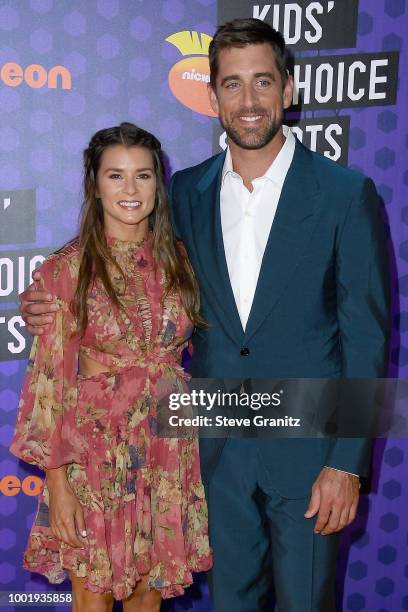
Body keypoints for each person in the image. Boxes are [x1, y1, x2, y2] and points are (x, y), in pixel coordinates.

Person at [19, 19, 390, 612]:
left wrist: (348, 463)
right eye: (233, 85)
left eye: (263, 82)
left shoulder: (346, 194)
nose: (249, 102)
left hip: (308, 452)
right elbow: (110, 266)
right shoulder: (186, 194)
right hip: (208, 453)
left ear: (289, 90)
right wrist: (40, 300)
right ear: (212, 96)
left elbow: (368, 337)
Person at [11, 123, 211, 612]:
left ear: (157, 185)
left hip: (167, 447)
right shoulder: (67, 270)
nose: (130, 190)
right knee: (94, 595)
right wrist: (57, 485)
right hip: (94, 455)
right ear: (94, 183)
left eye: (142, 176)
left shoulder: (183, 262)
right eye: (115, 176)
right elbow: (50, 383)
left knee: (148, 594)